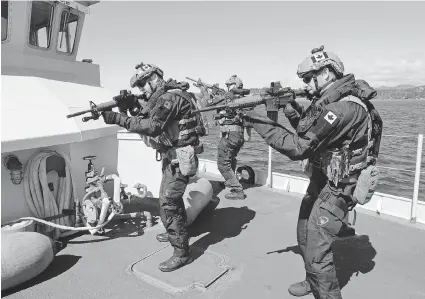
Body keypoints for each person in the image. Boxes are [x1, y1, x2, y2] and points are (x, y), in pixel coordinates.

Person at [240, 46, 382, 298]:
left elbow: (299, 146)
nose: (305, 83)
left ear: (326, 73)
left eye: (308, 78)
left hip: (340, 186)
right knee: (304, 232)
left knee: (317, 251)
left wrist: (255, 119)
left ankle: (325, 290)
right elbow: (311, 130)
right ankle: (313, 281)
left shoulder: (343, 108)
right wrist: (288, 107)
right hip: (323, 178)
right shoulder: (332, 102)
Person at [101, 62, 206, 272]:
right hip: (172, 157)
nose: (142, 90)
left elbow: (151, 126)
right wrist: (130, 107)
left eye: (144, 85)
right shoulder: (164, 96)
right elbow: (148, 113)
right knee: (170, 200)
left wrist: (118, 118)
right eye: (139, 87)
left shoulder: (170, 97)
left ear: (155, 79)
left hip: (180, 158)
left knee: (168, 202)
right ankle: (175, 231)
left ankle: (181, 253)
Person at [206, 75, 252, 200]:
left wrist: (207, 92)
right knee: (231, 159)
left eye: (229, 86)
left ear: (235, 86)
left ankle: (237, 189)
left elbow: (210, 104)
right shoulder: (243, 100)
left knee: (222, 164)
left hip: (230, 135)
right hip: (237, 135)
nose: (227, 88)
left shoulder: (231, 99)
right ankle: (229, 181)